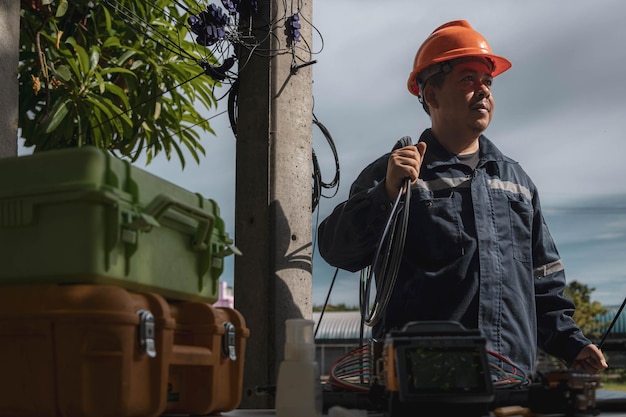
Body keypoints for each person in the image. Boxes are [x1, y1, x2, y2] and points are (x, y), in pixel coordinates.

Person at [317, 20, 608, 380]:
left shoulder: (516, 183)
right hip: (421, 385)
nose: (483, 91)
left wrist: (572, 344)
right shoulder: (395, 175)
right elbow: (336, 250)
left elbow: (543, 283)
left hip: (508, 381)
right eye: (468, 79)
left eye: (488, 81)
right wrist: (386, 193)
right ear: (431, 95)